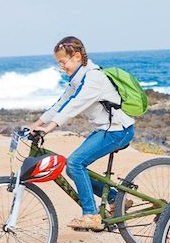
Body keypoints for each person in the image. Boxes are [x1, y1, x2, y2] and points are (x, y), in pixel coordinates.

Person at [30, 36, 135, 230]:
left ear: (77, 56)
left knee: (75, 162)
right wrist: (36, 125)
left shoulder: (93, 78)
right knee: (72, 167)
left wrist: (49, 128)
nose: (62, 67)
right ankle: (115, 199)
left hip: (118, 131)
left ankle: (91, 215)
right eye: (58, 63)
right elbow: (62, 103)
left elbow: (73, 106)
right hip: (105, 129)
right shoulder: (77, 79)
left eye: (63, 62)